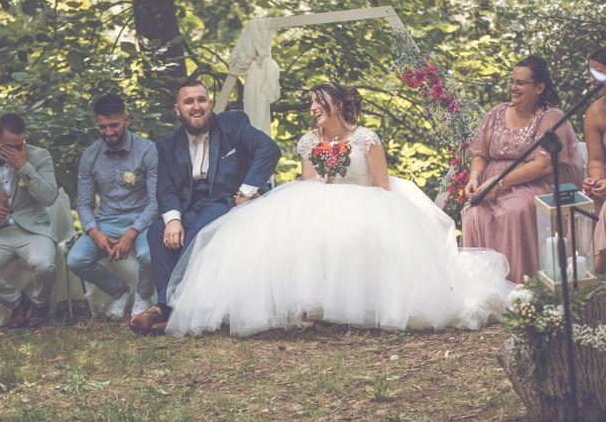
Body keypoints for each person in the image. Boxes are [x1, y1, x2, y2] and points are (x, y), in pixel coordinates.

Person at [163, 82, 514, 338]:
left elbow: (382, 185)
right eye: (312, 103)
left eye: (318, 103)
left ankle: (359, 306)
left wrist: (352, 202)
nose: (313, 108)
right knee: (294, 233)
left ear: (335, 105)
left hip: (368, 197)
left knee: (355, 233)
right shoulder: (309, 141)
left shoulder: (366, 138)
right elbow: (309, 185)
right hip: (321, 199)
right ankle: (307, 306)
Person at [129, 80, 281, 335]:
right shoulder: (166, 146)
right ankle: (168, 307)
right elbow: (165, 188)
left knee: (199, 232)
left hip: (227, 200)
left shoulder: (233, 124)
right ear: (178, 109)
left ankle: (170, 308)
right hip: (192, 206)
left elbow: (269, 149)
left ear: (210, 104)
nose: (197, 106)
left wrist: (246, 191)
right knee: (157, 232)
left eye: (202, 100)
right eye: (189, 101)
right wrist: (173, 221)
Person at [461, 56, 583, 283]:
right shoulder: (495, 113)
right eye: (512, 82)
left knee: (513, 211)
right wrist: (475, 178)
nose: (513, 88)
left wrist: (498, 181)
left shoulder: (550, 117)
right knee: (473, 212)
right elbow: (481, 154)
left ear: (539, 87)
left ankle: (519, 286)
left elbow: (544, 164)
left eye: (520, 83)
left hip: (533, 183)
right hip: (490, 182)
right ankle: (480, 285)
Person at [67, 94, 158, 319]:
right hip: (106, 222)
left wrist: (131, 233)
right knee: (76, 260)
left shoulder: (147, 150)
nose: (108, 132)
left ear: (126, 119)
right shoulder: (90, 155)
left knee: (148, 255)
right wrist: (95, 232)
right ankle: (120, 291)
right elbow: (85, 203)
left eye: (114, 125)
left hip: (142, 221)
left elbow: (156, 202)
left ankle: (143, 296)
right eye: (102, 127)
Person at [0, 113, 59, 328]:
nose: (16, 151)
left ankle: (40, 304)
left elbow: (50, 197)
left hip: (34, 230)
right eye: (10, 146)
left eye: (20, 145)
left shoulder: (40, 156)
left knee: (45, 266)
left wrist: (25, 167)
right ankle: (19, 302)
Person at [581, 48, 606, 275]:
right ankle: (580, 277)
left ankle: (598, 275)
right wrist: (596, 180)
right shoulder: (595, 112)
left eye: (597, 73)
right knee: (584, 199)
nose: (591, 80)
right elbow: (596, 160)